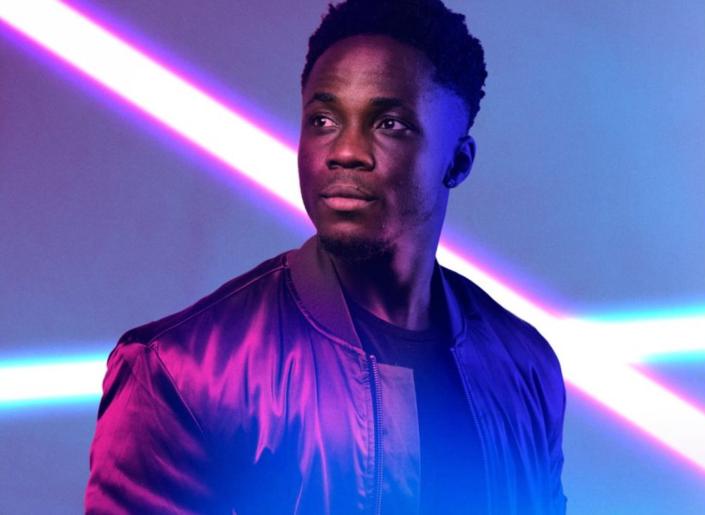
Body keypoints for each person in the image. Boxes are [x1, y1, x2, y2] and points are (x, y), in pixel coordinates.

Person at [85, 0, 567, 513]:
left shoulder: (523, 365)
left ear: (459, 160)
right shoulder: (178, 372)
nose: (345, 150)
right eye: (323, 118)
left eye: (389, 124)